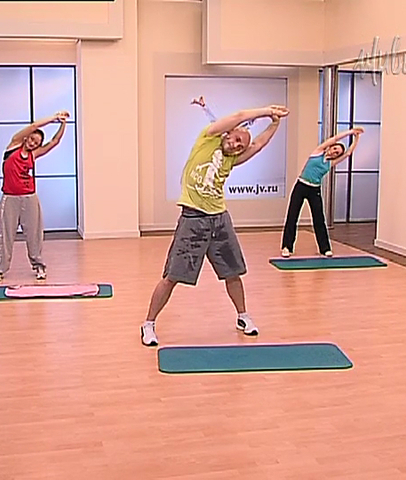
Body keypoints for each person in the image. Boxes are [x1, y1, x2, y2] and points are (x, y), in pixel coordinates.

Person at [140, 104, 290, 346]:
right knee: (171, 277)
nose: (237, 146)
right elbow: (239, 116)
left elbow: (258, 145)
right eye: (236, 139)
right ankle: (148, 324)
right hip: (193, 219)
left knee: (233, 273)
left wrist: (275, 123)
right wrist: (266, 110)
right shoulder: (207, 139)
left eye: (241, 145)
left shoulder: (232, 160)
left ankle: (243, 316)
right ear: (228, 133)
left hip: (220, 220)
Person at [0, 111, 70, 282]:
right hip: (10, 198)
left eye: (37, 143)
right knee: (5, 235)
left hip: (29, 198)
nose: (33, 143)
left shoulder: (33, 155)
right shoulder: (13, 146)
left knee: (34, 235)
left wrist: (63, 123)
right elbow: (34, 125)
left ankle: (39, 267)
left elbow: (54, 141)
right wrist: (54, 118)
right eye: (32, 139)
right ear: (26, 137)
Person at [280, 127, 364, 258]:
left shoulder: (330, 163)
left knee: (319, 219)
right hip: (301, 186)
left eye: (337, 153)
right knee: (292, 216)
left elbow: (348, 153)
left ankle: (325, 248)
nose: (335, 152)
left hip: (314, 190)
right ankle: (287, 247)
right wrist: (351, 132)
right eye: (335, 149)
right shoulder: (318, 152)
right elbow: (335, 138)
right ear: (330, 147)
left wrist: (357, 138)